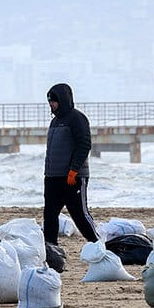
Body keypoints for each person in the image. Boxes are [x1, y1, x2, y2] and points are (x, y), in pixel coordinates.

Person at [43, 83, 100, 245]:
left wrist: (73, 170)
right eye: (49, 102)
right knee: (50, 214)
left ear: (62, 100)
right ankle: (51, 247)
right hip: (53, 177)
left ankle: (97, 243)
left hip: (72, 177)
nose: (51, 105)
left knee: (79, 214)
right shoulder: (55, 122)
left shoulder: (77, 118)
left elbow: (84, 145)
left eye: (53, 101)